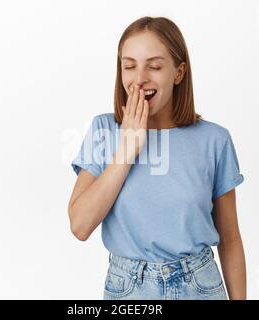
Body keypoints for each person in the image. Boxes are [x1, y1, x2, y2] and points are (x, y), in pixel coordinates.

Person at [68, 16, 246, 300]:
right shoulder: (103, 130)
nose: (139, 79)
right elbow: (80, 225)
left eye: (154, 66)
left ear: (178, 73)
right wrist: (127, 149)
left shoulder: (215, 140)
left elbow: (231, 239)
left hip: (200, 286)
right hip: (128, 290)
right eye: (129, 66)